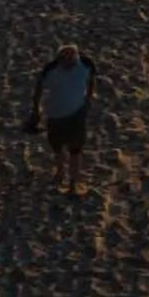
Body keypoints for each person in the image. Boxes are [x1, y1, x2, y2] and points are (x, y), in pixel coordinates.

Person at [30, 44, 98, 193]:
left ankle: (73, 183)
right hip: (55, 115)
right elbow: (38, 88)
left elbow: (92, 79)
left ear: (76, 57)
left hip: (77, 114)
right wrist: (36, 109)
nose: (67, 61)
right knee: (57, 148)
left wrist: (88, 98)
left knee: (75, 149)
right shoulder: (51, 70)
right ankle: (60, 172)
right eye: (64, 58)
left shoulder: (85, 65)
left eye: (71, 57)